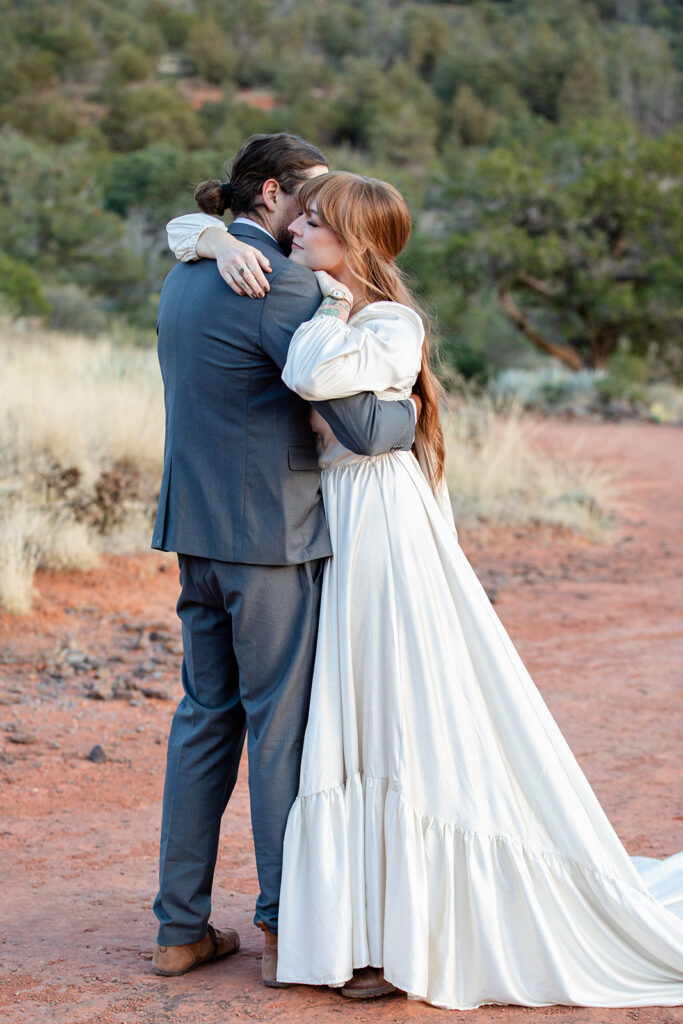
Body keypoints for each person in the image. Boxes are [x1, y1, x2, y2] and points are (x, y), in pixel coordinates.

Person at [167, 168, 683, 1010]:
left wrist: (328, 317)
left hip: (377, 526)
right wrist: (216, 235)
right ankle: (345, 920)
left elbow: (313, 379)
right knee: (337, 716)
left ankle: (391, 922)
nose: (296, 232)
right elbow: (188, 232)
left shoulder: (388, 321)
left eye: (317, 224)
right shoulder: (309, 295)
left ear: (355, 243)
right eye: (297, 219)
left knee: (385, 703)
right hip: (325, 520)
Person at [150, 136, 420, 984]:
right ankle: (281, 932)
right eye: (311, 197)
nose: (321, 209)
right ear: (272, 194)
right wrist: (413, 416)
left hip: (192, 533)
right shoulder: (288, 285)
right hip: (269, 541)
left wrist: (206, 233)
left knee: (203, 721)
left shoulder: (184, 274)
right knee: (278, 734)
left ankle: (178, 929)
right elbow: (366, 429)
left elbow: (186, 234)